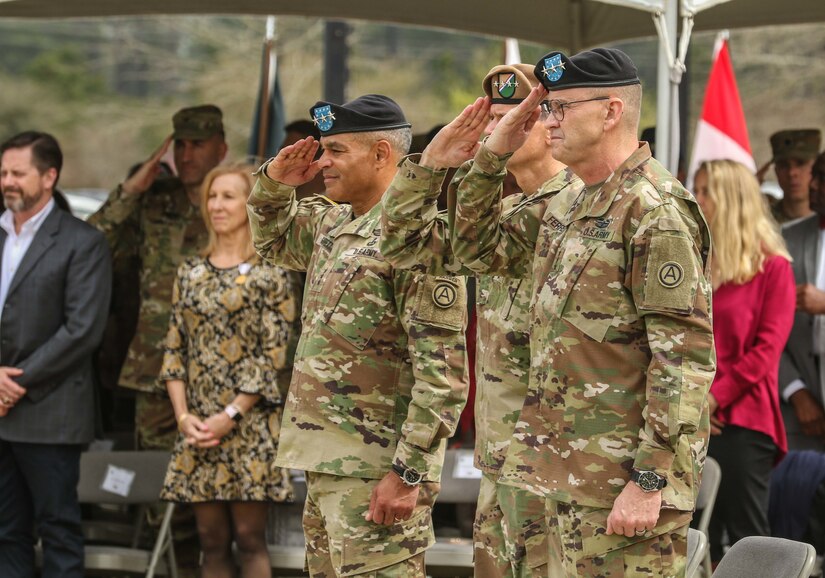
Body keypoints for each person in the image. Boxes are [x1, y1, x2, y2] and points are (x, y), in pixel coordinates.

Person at [451, 48, 715, 576]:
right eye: (545, 110)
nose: (545, 122)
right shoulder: (569, 204)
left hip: (621, 489)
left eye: (560, 108)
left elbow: (682, 362)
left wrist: (649, 482)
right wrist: (489, 159)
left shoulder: (653, 210)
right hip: (559, 476)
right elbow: (472, 249)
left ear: (611, 112)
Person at [247, 94, 469, 577]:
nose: (323, 164)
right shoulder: (334, 221)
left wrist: (407, 474)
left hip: (377, 469)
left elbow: (443, 374)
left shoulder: (416, 241)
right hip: (328, 460)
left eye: (337, 152)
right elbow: (272, 242)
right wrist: (273, 186)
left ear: (381, 154)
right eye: (323, 150)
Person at [380, 63, 579, 577]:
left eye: (516, 116)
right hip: (500, 464)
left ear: (552, 122)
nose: (497, 128)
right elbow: (401, 244)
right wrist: (432, 164)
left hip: (563, 469)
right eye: (491, 117)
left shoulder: (584, 211)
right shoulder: (498, 216)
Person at [88, 104, 227, 573]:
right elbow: (88, 248)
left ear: (221, 149)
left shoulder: (236, 202)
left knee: (216, 501)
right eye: (180, 145)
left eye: (198, 145)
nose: (187, 154)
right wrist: (131, 189)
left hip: (219, 376)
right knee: (159, 494)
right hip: (154, 371)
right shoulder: (152, 203)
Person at [160, 163, 298, 577]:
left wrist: (230, 415)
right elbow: (174, 350)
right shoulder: (189, 272)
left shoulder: (270, 272)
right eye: (212, 196)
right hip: (199, 427)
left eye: (228, 196)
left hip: (249, 424)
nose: (217, 205)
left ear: (250, 203)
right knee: (211, 542)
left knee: (250, 538)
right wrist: (185, 418)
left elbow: (271, 355)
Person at [0, 131, 111, 577]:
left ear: (49, 176)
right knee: (6, 532)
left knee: (59, 530)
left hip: (50, 412)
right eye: (3, 172)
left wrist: (14, 382)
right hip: (2, 412)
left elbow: (82, 330)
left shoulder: (83, 242)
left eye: (17, 173)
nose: (7, 180)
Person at [693, 159, 795, 561]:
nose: (696, 199)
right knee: (696, 534)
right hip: (692, 414)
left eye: (705, 191)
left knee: (745, 540)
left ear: (731, 199)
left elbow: (766, 352)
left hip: (743, 419)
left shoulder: (773, 268)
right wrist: (696, 399)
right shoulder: (695, 260)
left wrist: (714, 398)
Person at [780, 150, 825, 451]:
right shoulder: (785, 239)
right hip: (801, 415)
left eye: (823, 179)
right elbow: (763, 326)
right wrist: (795, 390)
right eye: (816, 176)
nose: (812, 185)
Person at [759, 129, 821, 225]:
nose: (792, 173)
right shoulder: (760, 220)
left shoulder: (822, 222)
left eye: (801, 163)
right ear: (776, 171)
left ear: (817, 168)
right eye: (784, 165)